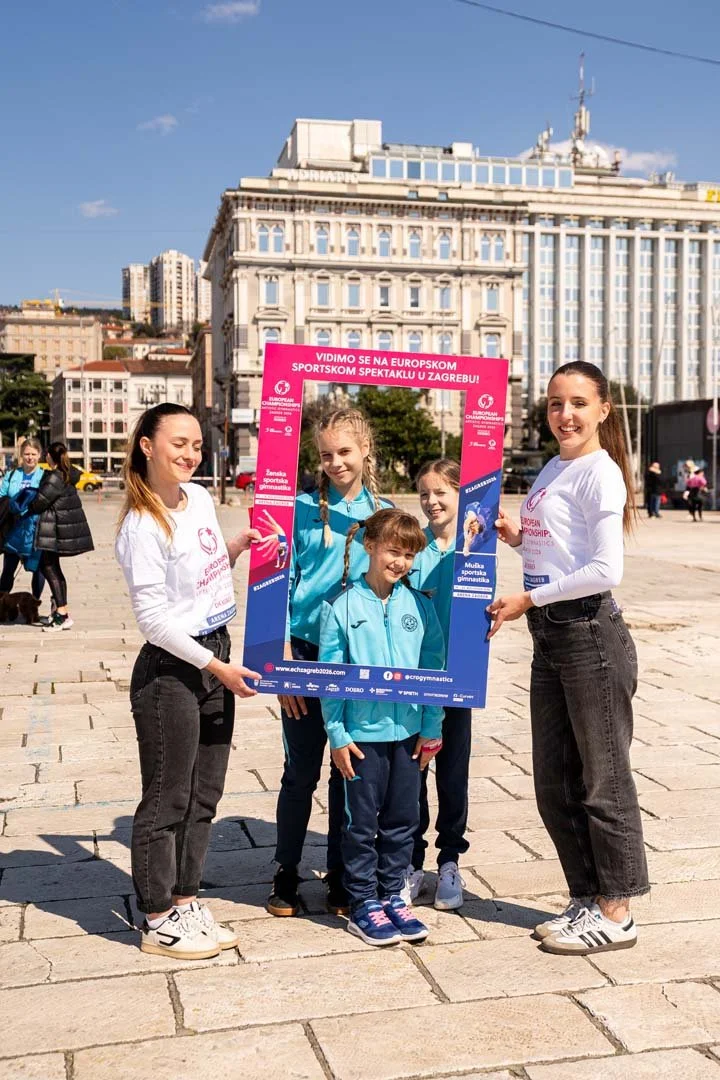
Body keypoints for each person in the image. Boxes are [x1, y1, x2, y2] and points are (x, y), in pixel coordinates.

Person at [488, 360, 649, 956]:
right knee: (554, 781)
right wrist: (517, 538)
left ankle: (617, 910)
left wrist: (528, 598)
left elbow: (606, 569)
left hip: (589, 638)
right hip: (551, 636)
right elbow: (560, 547)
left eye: (579, 403)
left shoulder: (600, 473)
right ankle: (586, 897)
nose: (566, 414)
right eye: (556, 403)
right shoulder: (556, 467)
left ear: (603, 410)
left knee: (603, 779)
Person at [115, 402, 266, 959]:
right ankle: (157, 916)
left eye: (197, 445)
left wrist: (236, 547)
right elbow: (154, 621)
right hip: (173, 670)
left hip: (214, 651)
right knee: (168, 797)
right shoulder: (141, 525)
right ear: (147, 446)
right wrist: (214, 667)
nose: (190, 454)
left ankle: (185, 899)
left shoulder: (198, 498)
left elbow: (203, 572)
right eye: (178, 443)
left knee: (205, 793)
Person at [262, 408, 393, 920]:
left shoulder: (383, 513)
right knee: (299, 771)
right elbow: (280, 583)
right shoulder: (297, 508)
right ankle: (286, 870)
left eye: (344, 452)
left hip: (358, 661)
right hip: (304, 652)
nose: (335, 462)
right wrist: (281, 663)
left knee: (348, 768)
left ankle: (342, 871)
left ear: (365, 450)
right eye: (325, 454)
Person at [319, 509, 445, 946]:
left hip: (408, 735)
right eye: (393, 551)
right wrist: (337, 734)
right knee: (360, 824)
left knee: (403, 820)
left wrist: (431, 726)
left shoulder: (420, 606)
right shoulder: (341, 605)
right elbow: (330, 677)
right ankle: (362, 903)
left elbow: (433, 669)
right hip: (361, 739)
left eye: (409, 555)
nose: (401, 562)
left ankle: (393, 894)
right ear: (369, 546)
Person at [403, 458, 469, 911]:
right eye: (425, 493)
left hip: (459, 678)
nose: (432, 501)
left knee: (453, 773)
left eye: (441, 492)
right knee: (414, 772)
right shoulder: (415, 548)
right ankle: (412, 861)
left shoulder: (475, 549)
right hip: (418, 678)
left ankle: (449, 861)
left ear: (460, 494)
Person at [24, 442, 93, 631]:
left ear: (49, 456)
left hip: (53, 531)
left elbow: (40, 502)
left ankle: (62, 614)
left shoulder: (56, 477)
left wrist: (27, 503)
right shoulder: (66, 474)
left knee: (48, 567)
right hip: (58, 530)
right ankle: (62, 611)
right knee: (53, 568)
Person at [0, 438, 46, 606]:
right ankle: (2, 605)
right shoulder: (12, 474)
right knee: (8, 570)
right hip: (13, 530)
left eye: (33, 454)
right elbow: (2, 496)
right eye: (26, 454)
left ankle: (34, 603)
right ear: (21, 455)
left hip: (35, 530)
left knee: (38, 570)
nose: (30, 457)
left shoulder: (44, 476)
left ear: (39, 455)